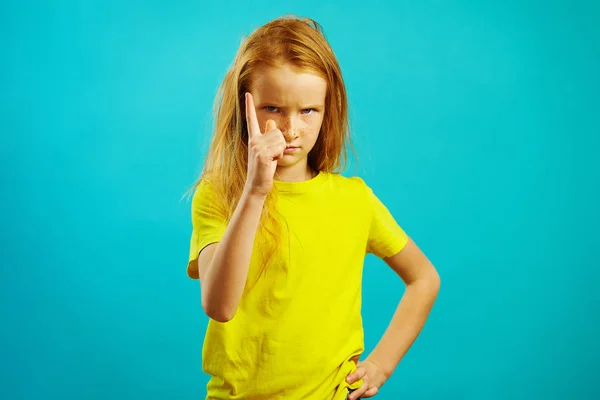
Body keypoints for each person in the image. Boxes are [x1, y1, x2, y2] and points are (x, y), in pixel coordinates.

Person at [186, 15, 440, 400]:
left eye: (308, 111)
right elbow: (219, 306)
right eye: (273, 108)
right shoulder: (218, 196)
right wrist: (255, 191)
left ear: (327, 111)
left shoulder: (354, 200)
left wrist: (380, 365)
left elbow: (424, 279)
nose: (291, 129)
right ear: (245, 110)